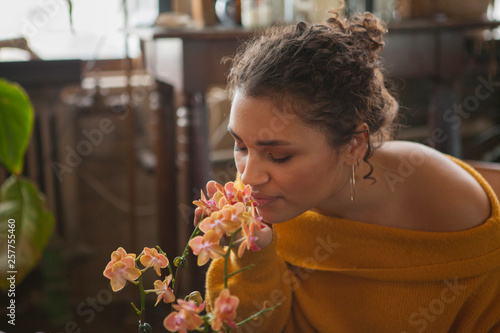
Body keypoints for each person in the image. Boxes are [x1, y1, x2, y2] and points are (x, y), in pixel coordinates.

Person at [195, 8, 500, 333]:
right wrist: (254, 251)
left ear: (354, 146)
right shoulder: (263, 201)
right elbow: (240, 327)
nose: (249, 176)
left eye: (279, 156)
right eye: (241, 146)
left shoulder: (445, 204)